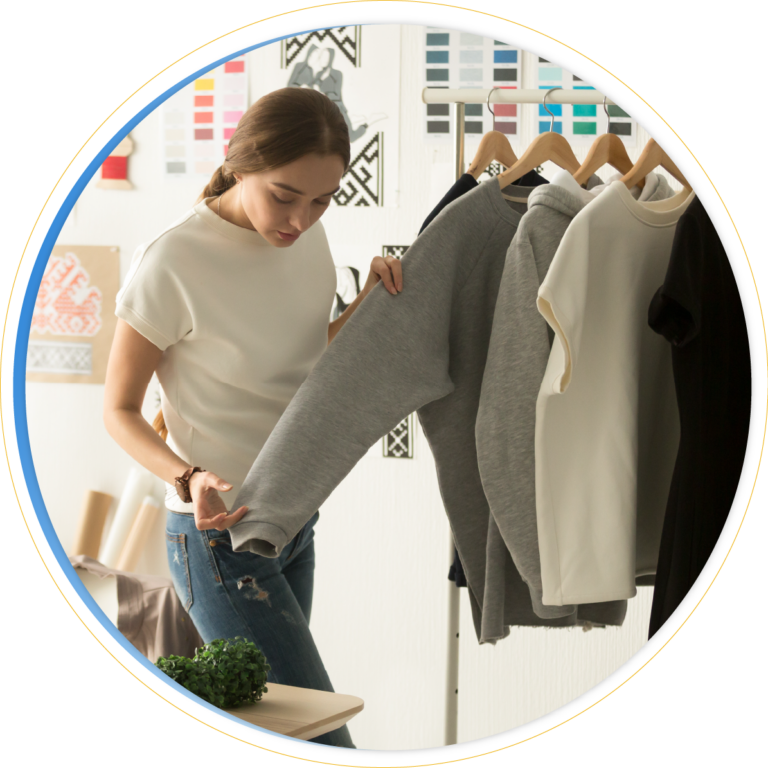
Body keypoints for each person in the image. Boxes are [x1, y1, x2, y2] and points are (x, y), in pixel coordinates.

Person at [103, 87, 403, 749]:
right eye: (285, 195)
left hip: (294, 515)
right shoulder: (174, 261)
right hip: (218, 536)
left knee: (280, 728)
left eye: (323, 199)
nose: (301, 219)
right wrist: (188, 477)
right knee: (321, 738)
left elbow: (304, 358)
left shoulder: (309, 238)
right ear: (239, 166)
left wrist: (370, 304)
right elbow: (118, 411)